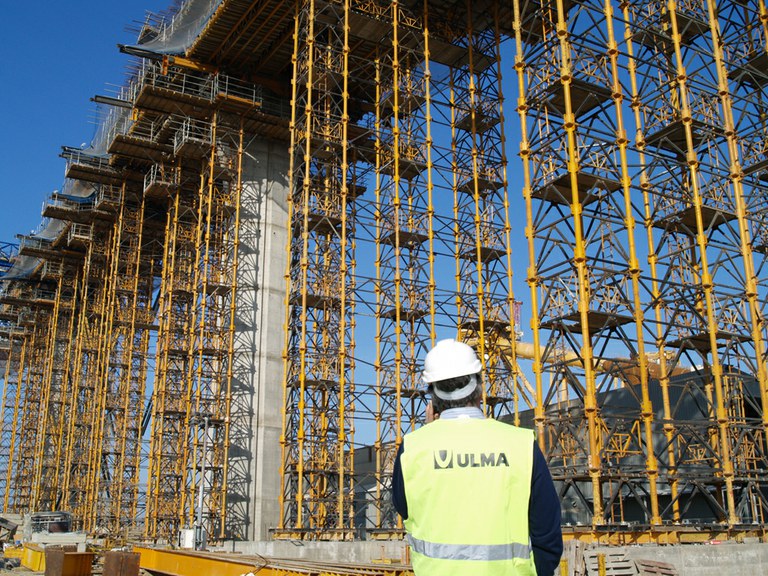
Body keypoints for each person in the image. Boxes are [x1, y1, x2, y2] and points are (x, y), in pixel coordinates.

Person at [392, 338, 563, 576]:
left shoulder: (412, 448)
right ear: (480, 389)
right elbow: (548, 533)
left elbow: (406, 508)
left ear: (432, 396)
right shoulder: (521, 444)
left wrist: (430, 433)